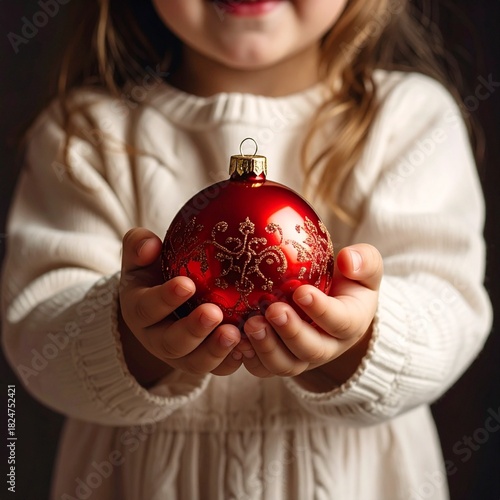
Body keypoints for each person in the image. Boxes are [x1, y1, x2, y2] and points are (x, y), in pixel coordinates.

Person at [1, 1, 493, 499]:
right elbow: (37, 337)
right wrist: (135, 336)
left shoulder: (408, 119)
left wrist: (353, 340)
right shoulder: (85, 133)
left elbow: (449, 310)